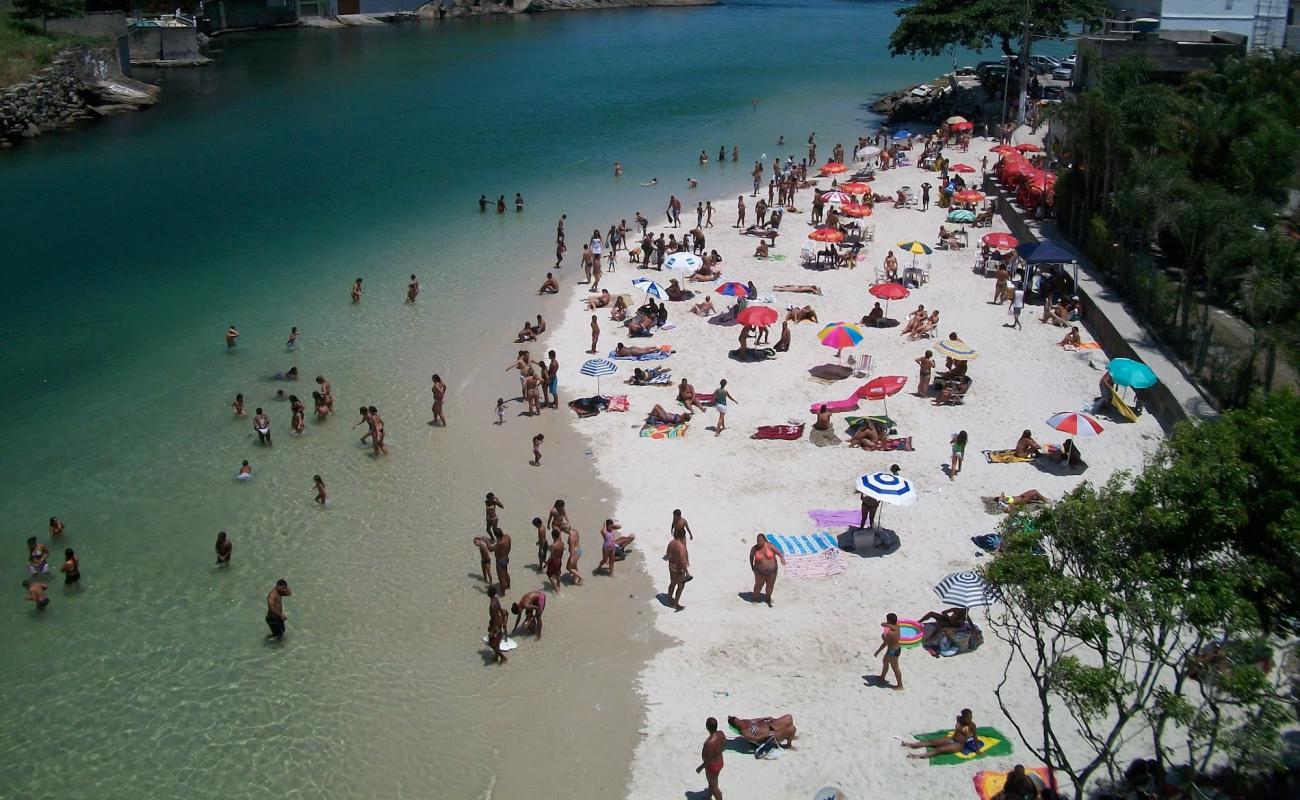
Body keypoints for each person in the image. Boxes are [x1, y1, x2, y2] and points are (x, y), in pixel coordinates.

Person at [905, 709, 979, 759]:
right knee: (931, 742)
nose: (970, 719)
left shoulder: (972, 725)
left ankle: (917, 756)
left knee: (939, 750)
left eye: (971, 717)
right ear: (963, 717)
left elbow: (975, 738)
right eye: (968, 718)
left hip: (958, 745)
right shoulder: (958, 718)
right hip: (951, 739)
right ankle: (911, 745)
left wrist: (977, 750)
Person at [749, 534, 786, 607]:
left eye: (761, 541)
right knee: (758, 585)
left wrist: (782, 559)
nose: (759, 543)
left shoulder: (770, 546)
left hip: (772, 571)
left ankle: (768, 598)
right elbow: (751, 557)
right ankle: (755, 598)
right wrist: (752, 567)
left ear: (764, 540)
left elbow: (779, 553)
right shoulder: (754, 549)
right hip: (759, 571)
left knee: (770, 586)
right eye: (758, 541)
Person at [696, 717, 725, 800]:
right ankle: (708, 796)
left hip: (712, 767)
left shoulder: (708, 744)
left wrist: (700, 768)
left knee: (715, 788)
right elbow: (723, 746)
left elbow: (708, 761)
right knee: (711, 783)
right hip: (720, 761)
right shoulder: (721, 734)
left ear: (707, 727)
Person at [875, 613, 905, 689]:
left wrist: (877, 652)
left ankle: (900, 685)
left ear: (890, 620)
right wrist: (885, 624)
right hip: (893, 649)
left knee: (895, 668)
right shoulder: (897, 626)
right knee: (885, 661)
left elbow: (884, 644)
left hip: (893, 652)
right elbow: (885, 624)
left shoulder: (891, 633)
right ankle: (882, 677)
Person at [666, 528, 690, 611]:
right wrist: (687, 573)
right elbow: (683, 562)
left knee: (672, 583)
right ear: (682, 536)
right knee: (680, 586)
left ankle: (669, 599)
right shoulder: (681, 548)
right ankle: (676, 604)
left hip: (671, 567)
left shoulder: (671, 543)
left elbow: (667, 554)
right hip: (679, 570)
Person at [486, 585, 508, 665]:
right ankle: (496, 657)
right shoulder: (496, 600)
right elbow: (500, 611)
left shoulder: (491, 606)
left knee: (491, 643)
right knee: (497, 642)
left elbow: (493, 618)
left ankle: (503, 657)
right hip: (499, 622)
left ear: (488, 593)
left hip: (495, 625)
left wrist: (492, 629)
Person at [490, 526, 511, 591]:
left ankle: (502, 593)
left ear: (496, 535)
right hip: (506, 558)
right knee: (505, 572)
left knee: (501, 578)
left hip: (500, 561)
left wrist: (486, 541)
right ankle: (508, 586)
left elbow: (490, 549)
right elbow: (509, 547)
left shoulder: (499, 543)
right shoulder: (507, 537)